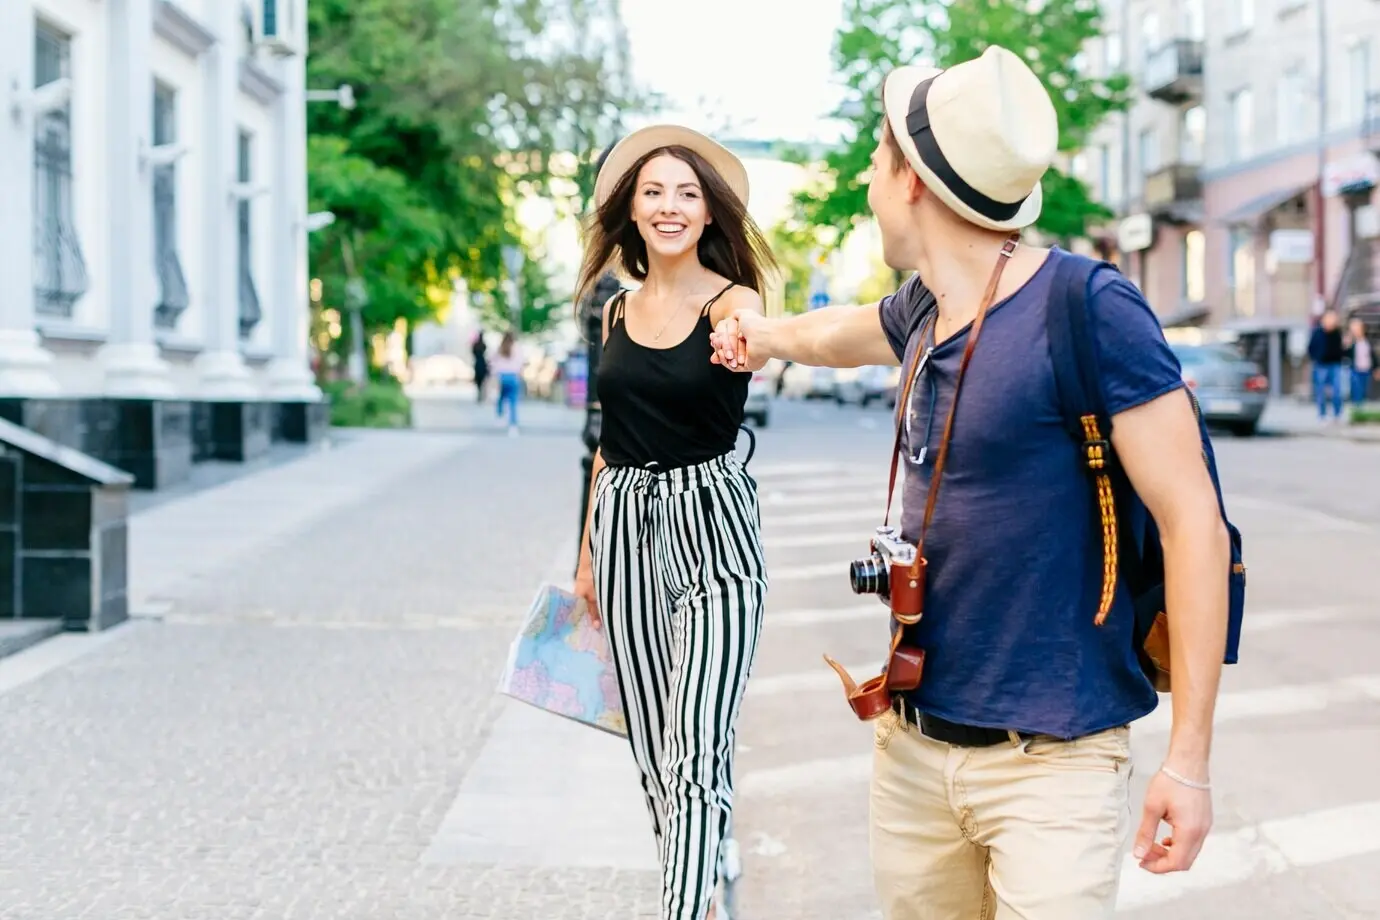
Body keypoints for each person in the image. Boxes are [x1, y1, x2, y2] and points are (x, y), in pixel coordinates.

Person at [709, 46, 1229, 919]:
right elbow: (844, 333)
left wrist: (1189, 762)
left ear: (909, 179)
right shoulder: (925, 306)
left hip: (1051, 766)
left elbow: (1194, 526)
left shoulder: (1089, 308)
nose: (870, 184)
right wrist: (762, 334)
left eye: (876, 164)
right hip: (913, 748)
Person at [570, 124, 776, 920]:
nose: (669, 205)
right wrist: (586, 555)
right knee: (658, 759)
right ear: (630, 210)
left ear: (710, 214)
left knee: (698, 753)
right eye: (653, 191)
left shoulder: (735, 304)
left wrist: (749, 344)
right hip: (623, 528)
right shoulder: (616, 311)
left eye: (687, 193)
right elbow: (605, 438)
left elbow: (757, 346)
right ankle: (703, 893)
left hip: (712, 526)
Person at [1308, 309, 1346, 420]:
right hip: (1321, 365)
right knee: (1321, 391)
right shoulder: (1318, 332)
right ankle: (1322, 414)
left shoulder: (1338, 333)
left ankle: (1337, 414)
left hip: (1336, 364)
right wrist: (1316, 358)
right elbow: (1311, 348)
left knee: (1337, 390)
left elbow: (1342, 349)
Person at [491, 331, 523, 435]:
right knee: (513, 402)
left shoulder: (500, 347)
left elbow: (493, 363)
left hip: (502, 376)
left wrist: (495, 375)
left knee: (501, 398)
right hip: (513, 376)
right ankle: (513, 425)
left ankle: (500, 416)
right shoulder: (516, 347)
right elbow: (520, 362)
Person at [1346, 314, 1373, 405]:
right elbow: (1346, 354)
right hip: (1356, 369)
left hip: (1366, 369)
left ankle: (1362, 408)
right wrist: (1348, 343)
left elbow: (1372, 355)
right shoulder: (1352, 342)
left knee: (1365, 390)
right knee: (1356, 390)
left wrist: (1376, 367)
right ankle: (1357, 408)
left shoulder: (1367, 341)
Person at [471, 331, 489, 403]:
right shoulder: (483, 345)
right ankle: (480, 393)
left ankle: (480, 393)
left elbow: (473, 352)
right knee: (481, 380)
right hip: (481, 363)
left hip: (478, 363)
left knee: (479, 379)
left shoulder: (476, 345)